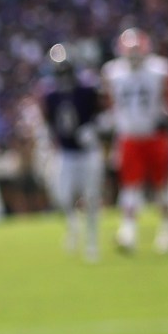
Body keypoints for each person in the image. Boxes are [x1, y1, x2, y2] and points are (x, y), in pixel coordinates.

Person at [100, 26, 168, 255]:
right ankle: (129, 230)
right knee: (130, 185)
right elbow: (108, 102)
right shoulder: (113, 72)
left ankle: (166, 229)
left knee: (161, 186)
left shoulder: (160, 69)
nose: (134, 55)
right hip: (129, 136)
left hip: (155, 135)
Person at [39, 42, 105, 263]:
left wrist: (94, 129)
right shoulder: (50, 95)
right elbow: (48, 123)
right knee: (63, 196)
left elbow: (103, 115)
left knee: (92, 198)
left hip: (89, 153)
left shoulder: (87, 90)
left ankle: (92, 243)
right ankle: (73, 225)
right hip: (66, 153)